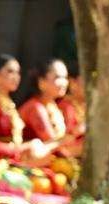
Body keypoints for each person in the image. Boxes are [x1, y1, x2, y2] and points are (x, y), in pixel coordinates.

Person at [0, 54, 66, 198]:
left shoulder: (7, 103)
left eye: (18, 72)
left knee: (53, 179)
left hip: (10, 160)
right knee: (41, 184)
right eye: (10, 72)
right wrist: (20, 149)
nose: (16, 77)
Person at [19, 58, 82, 186]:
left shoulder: (52, 105)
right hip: (29, 160)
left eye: (65, 77)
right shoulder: (35, 107)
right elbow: (53, 144)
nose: (64, 82)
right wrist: (76, 135)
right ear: (42, 82)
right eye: (58, 77)